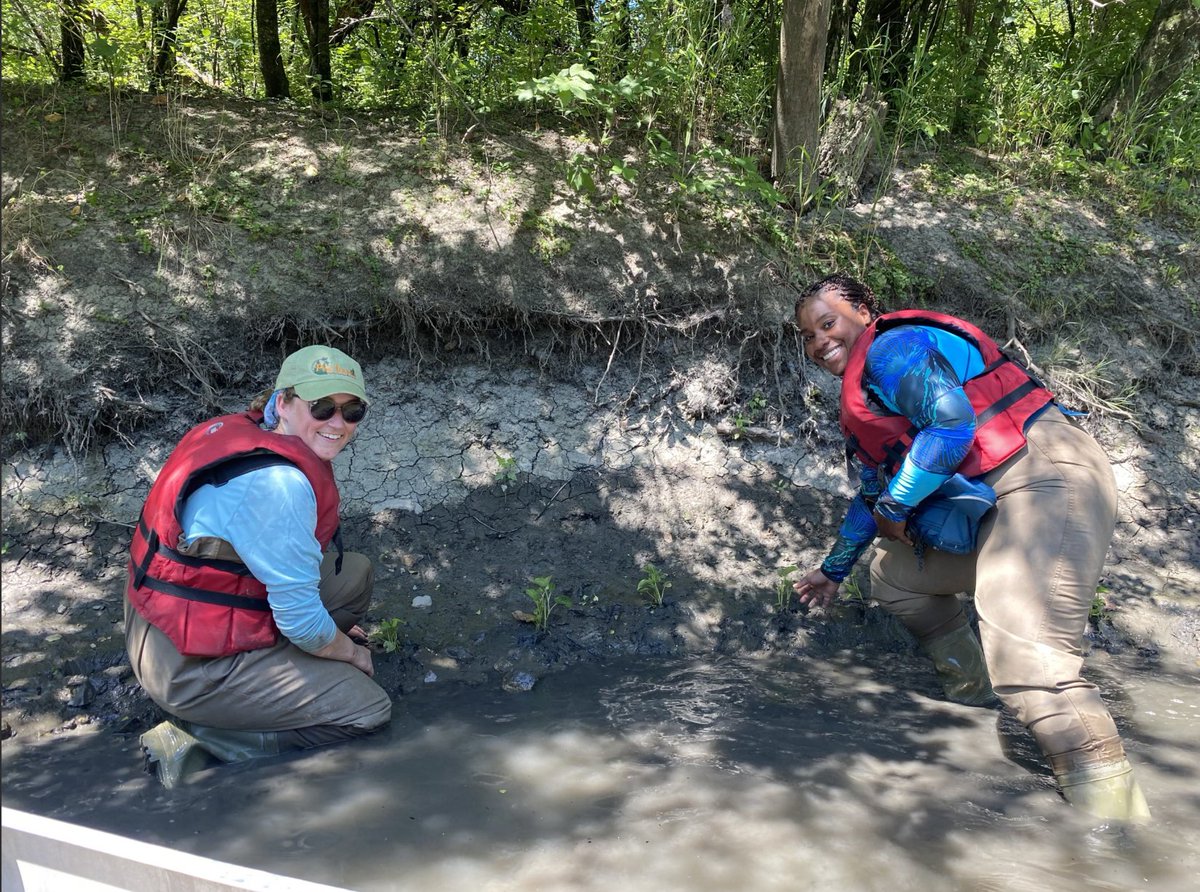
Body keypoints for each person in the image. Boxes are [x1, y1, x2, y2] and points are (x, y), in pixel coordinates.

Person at [791, 273, 1151, 823]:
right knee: (893, 578)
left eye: (828, 322)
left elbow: (954, 427)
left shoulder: (891, 348)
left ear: (865, 310)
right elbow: (872, 497)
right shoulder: (868, 390)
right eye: (809, 336)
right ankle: (973, 694)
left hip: (1043, 473)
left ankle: (1116, 830)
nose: (819, 342)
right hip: (998, 501)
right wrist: (832, 571)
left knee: (1031, 658)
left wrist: (895, 507)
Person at [126, 345, 392, 788]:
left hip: (154, 620)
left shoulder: (236, 430)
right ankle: (201, 739)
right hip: (186, 665)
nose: (337, 424)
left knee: (353, 576)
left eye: (352, 412)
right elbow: (303, 623)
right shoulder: (280, 485)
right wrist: (351, 654)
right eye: (322, 406)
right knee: (368, 710)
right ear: (284, 401)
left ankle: (275, 677)